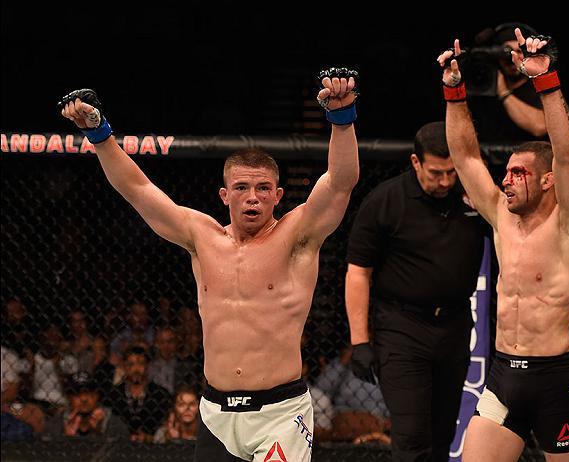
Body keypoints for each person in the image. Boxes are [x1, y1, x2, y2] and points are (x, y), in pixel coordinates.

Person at [59, 66, 360, 461]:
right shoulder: (201, 237)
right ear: (224, 195)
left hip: (279, 414)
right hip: (215, 412)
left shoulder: (298, 236)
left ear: (277, 195)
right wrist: (99, 135)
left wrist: (341, 117)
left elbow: (340, 182)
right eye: (241, 188)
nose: (252, 197)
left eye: (263, 188)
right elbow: (137, 189)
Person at [437, 28, 569, 461]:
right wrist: (454, 90)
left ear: (547, 181)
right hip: (503, 375)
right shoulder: (501, 217)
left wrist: (546, 81)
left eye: (518, 174)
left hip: (555, 380)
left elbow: (567, 158)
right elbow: (466, 156)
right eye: (505, 173)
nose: (505, 180)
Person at [345, 120, 487, 461]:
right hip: (401, 328)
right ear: (415, 162)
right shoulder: (385, 201)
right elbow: (357, 273)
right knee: (411, 439)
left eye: (452, 172)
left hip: (454, 325)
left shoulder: (473, 196)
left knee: (443, 435)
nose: (445, 181)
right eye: (436, 173)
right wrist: (360, 341)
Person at [466, 22, 547, 142]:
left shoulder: (539, 86)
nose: (513, 58)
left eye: (519, 51)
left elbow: (540, 127)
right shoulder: (485, 86)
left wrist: (504, 92)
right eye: (507, 52)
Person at [102, 345, 171, 442]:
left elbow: (166, 426)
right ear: (125, 366)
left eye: (141, 364)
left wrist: (149, 438)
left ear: (147, 366)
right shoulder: (114, 394)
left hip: (153, 448)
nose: (136, 369)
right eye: (131, 364)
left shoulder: (160, 394)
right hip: (119, 446)